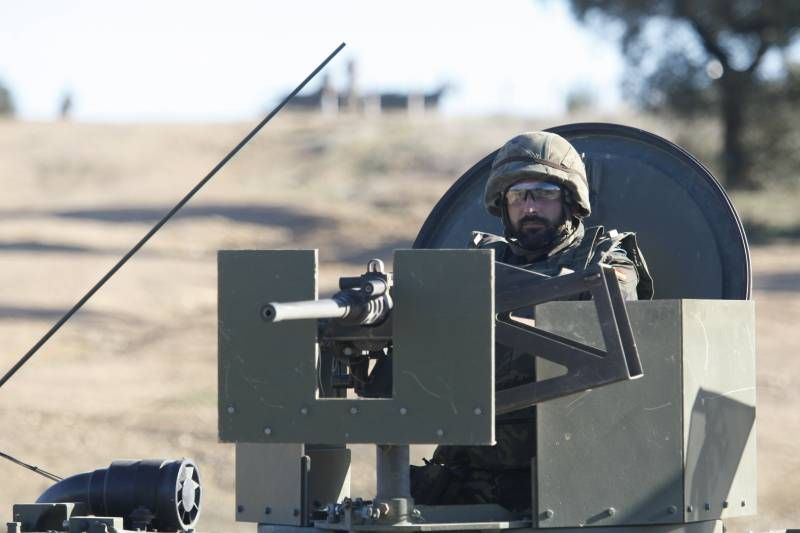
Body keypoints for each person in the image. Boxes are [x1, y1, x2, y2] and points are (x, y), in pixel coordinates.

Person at [410, 131, 653, 511]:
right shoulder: (477, 267)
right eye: (517, 196)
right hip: (468, 481)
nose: (530, 207)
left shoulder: (605, 261)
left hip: (565, 482)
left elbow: (605, 336)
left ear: (571, 201)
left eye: (543, 193)